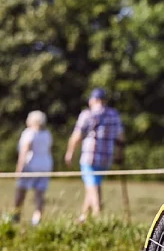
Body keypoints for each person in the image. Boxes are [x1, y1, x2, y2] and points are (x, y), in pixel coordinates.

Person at [64, 89, 124, 222]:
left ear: (93, 100)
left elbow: (77, 136)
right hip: (107, 157)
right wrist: (119, 154)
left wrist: (70, 153)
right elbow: (120, 137)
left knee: (92, 187)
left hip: (90, 157)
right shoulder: (114, 114)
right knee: (93, 185)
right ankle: (83, 217)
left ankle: (98, 216)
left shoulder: (88, 114)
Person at [10, 110, 52, 225]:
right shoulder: (47, 134)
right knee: (39, 194)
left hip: (30, 166)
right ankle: (37, 219)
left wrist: (19, 167)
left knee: (21, 191)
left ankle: (15, 215)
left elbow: (24, 150)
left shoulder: (29, 133)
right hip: (45, 166)